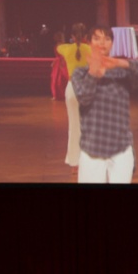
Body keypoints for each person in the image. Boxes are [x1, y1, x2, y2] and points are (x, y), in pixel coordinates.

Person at [69, 25, 138, 184]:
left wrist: (118, 63)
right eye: (97, 38)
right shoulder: (80, 73)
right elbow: (84, 97)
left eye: (107, 39)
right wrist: (93, 74)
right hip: (92, 150)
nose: (102, 42)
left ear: (112, 43)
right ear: (89, 42)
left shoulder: (121, 73)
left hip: (121, 149)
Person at [54, 22, 90, 169]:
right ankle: (87, 158)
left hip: (71, 89)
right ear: (86, 36)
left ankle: (74, 158)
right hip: (86, 88)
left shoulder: (66, 49)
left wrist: (69, 41)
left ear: (72, 36)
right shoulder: (90, 49)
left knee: (73, 125)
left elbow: (58, 47)